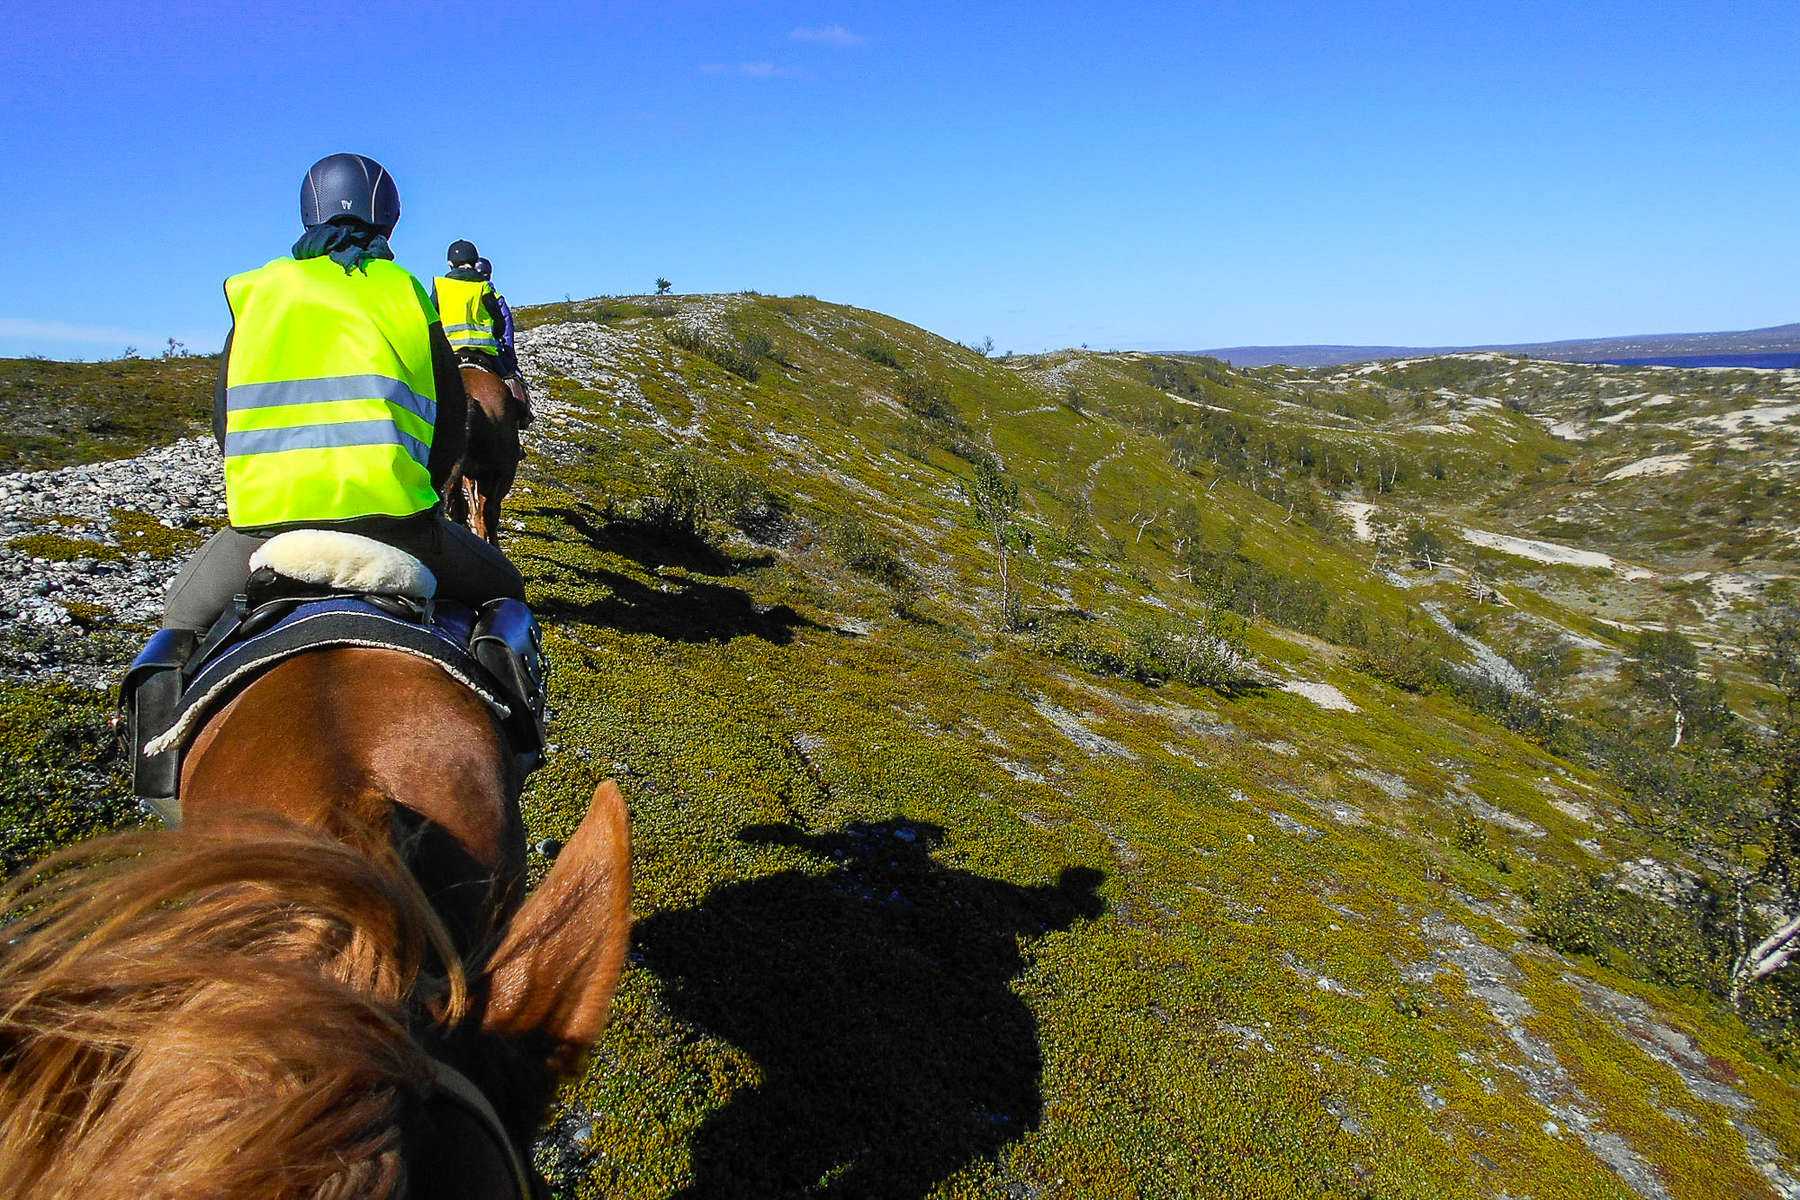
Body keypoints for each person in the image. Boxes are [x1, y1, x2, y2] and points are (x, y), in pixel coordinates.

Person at [160, 153, 526, 634]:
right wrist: (423, 497)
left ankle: (141, 708)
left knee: (178, 626)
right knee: (507, 597)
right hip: (399, 525)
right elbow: (450, 423)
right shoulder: (405, 291)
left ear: (309, 211)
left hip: (267, 528)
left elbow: (224, 424)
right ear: (388, 219)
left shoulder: (256, 294)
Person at [474, 255, 535, 427]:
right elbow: (506, 330)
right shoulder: (495, 297)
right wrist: (510, 359)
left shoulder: (454, 291)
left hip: (455, 350)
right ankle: (521, 418)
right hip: (489, 350)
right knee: (513, 379)